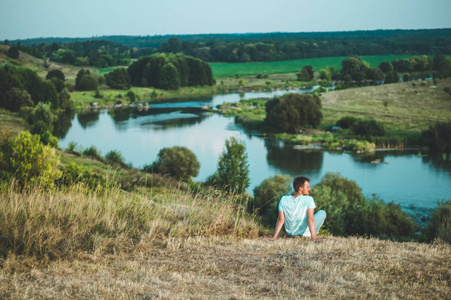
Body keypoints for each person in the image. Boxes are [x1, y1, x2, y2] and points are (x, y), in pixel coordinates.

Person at [266, 176, 326, 242]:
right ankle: (313, 234)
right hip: (305, 234)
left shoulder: (283, 199)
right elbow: (310, 219)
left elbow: (281, 219)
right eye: (307, 187)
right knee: (322, 212)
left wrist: (274, 237)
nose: (309, 189)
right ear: (300, 189)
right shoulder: (309, 199)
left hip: (290, 233)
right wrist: (314, 238)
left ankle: (309, 233)